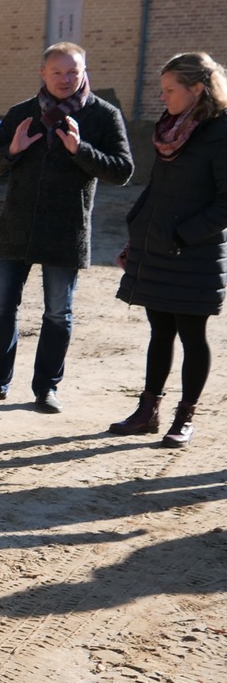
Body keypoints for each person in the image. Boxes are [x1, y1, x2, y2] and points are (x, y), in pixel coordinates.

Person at [0, 42, 134, 412]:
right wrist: (12, 150)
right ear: (43, 74)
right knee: (0, 310)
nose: (66, 79)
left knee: (57, 313)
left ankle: (46, 388)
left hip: (66, 231)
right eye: (58, 72)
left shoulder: (104, 115)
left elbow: (122, 171)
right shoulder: (21, 113)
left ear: (84, 72)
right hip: (15, 228)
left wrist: (80, 150)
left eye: (74, 72)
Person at [110, 52, 227, 447]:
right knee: (160, 332)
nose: (163, 98)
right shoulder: (170, 128)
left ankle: (185, 416)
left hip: (195, 254)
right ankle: (148, 411)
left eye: (169, 90)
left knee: (193, 335)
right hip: (156, 247)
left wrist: (181, 236)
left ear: (196, 90)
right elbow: (157, 190)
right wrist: (137, 233)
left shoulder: (221, 131)